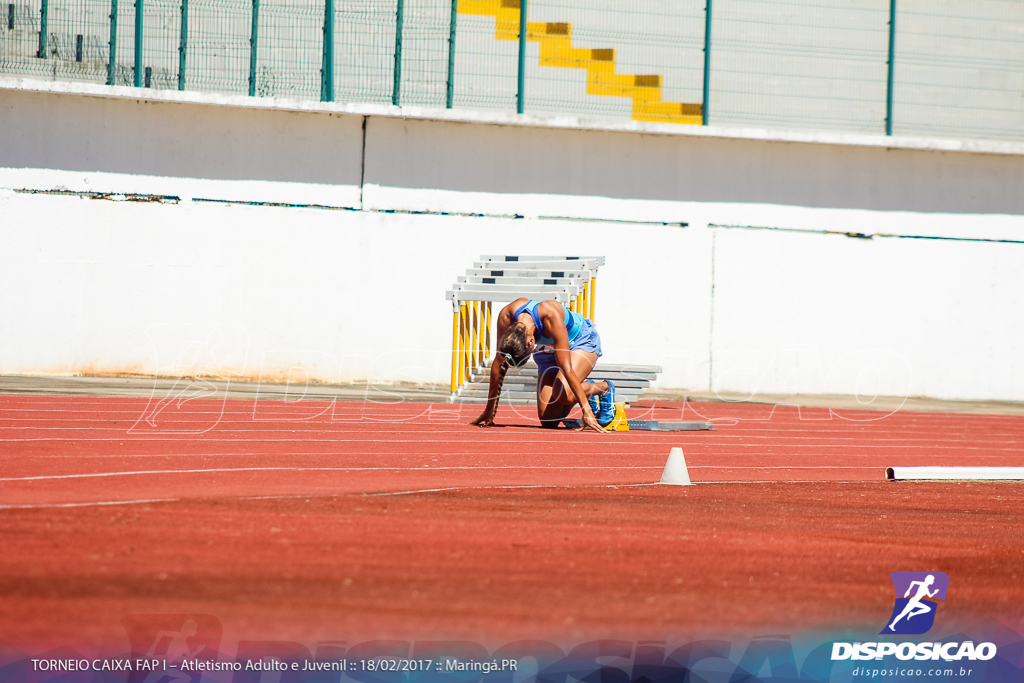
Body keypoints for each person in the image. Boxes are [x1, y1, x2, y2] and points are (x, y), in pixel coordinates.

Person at [470, 297, 614, 431]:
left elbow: (566, 367)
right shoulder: (506, 317)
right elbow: (499, 362)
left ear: (531, 342)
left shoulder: (550, 315)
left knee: (564, 394)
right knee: (549, 420)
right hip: (547, 351)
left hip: (579, 341)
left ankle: (603, 388)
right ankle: (582, 389)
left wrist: (586, 411)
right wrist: (490, 409)